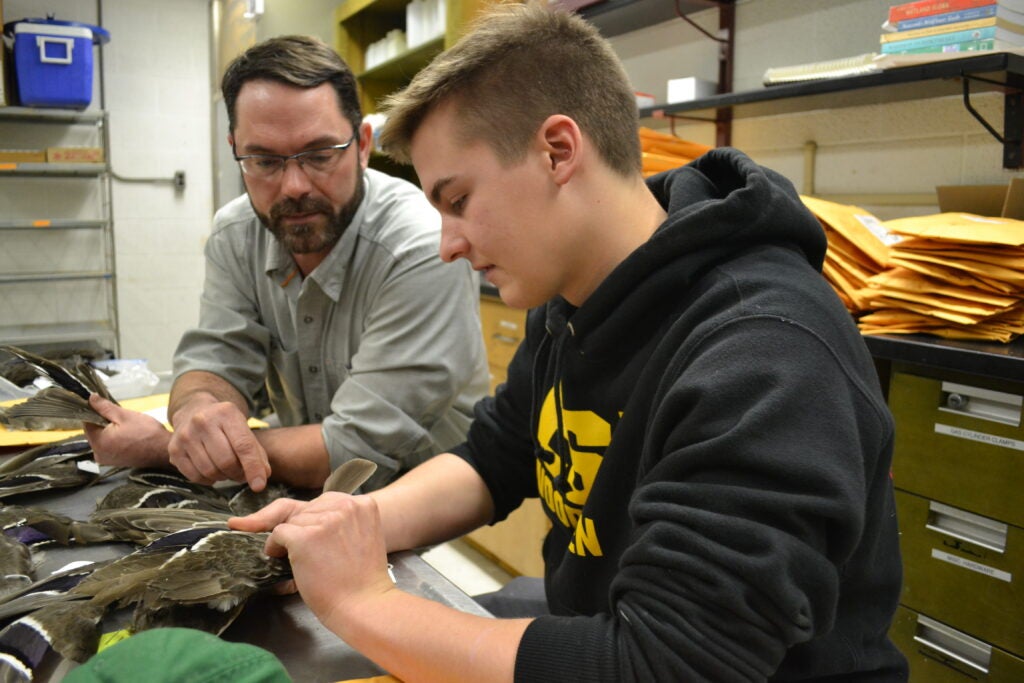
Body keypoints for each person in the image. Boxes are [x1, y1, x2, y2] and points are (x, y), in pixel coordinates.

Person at [231, 3, 909, 681]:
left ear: (558, 151)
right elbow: (495, 456)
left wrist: (364, 602)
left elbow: (662, 664)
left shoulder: (765, 355)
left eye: (458, 200)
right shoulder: (573, 299)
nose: (447, 245)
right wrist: (356, 522)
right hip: (598, 623)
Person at [84, 35, 488, 492]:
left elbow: (352, 449)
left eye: (318, 155)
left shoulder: (419, 246)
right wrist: (198, 414)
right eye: (264, 161)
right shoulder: (236, 234)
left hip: (422, 497)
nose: (293, 186)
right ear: (236, 150)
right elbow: (217, 360)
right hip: (301, 486)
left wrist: (166, 447)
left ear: (362, 144)